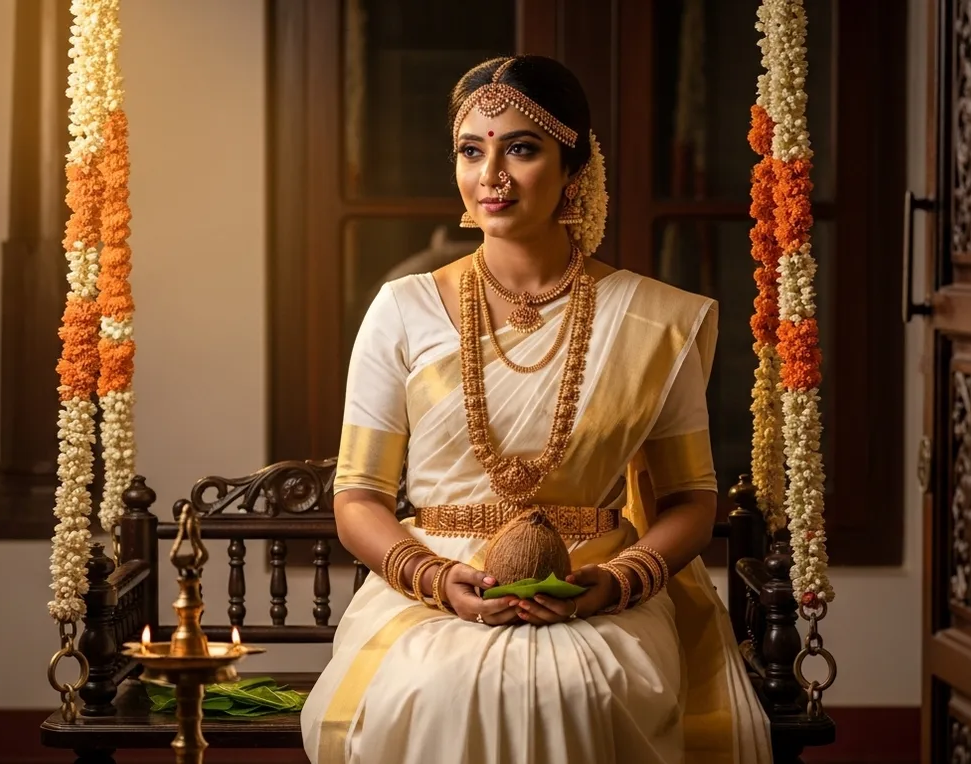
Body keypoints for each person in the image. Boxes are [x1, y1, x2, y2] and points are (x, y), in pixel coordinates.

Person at [300, 55, 771, 764]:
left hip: (597, 590)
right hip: (434, 589)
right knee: (435, 687)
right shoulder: (403, 310)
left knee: (580, 689)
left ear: (574, 167)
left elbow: (690, 501)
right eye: (471, 150)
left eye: (521, 148)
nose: (491, 174)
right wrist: (434, 579)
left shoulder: (649, 319)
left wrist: (613, 584)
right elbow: (358, 496)